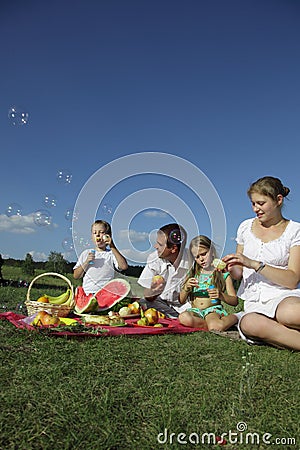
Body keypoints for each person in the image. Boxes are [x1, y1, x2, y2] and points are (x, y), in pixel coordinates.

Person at [223, 176, 300, 351]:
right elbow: (238, 273)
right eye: (253, 203)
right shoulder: (245, 227)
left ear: (278, 200)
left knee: (289, 314)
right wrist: (231, 267)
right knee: (250, 324)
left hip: (284, 296)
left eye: (261, 203)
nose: (256, 208)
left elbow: (292, 279)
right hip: (254, 303)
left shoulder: (295, 230)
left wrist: (254, 264)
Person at [178, 235, 238, 330]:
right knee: (183, 317)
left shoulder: (222, 274)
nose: (201, 259)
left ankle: (237, 317)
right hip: (195, 310)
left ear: (212, 252)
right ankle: (211, 326)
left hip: (212, 310)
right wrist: (186, 288)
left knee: (216, 325)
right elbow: (181, 300)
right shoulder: (193, 273)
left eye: (204, 254)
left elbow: (234, 301)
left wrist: (221, 295)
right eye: (197, 257)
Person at [138, 223, 191, 318]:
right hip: (162, 304)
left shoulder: (193, 260)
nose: (155, 246)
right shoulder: (154, 258)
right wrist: (153, 291)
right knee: (143, 302)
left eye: (160, 244)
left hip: (187, 306)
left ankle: (177, 318)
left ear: (173, 249)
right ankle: (176, 318)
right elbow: (147, 295)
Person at [73, 220, 128, 294]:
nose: (98, 235)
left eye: (101, 232)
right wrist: (86, 262)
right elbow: (76, 276)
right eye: (94, 233)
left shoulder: (111, 254)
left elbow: (123, 266)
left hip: (106, 293)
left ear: (108, 236)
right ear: (92, 236)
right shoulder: (86, 253)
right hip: (88, 292)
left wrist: (112, 245)